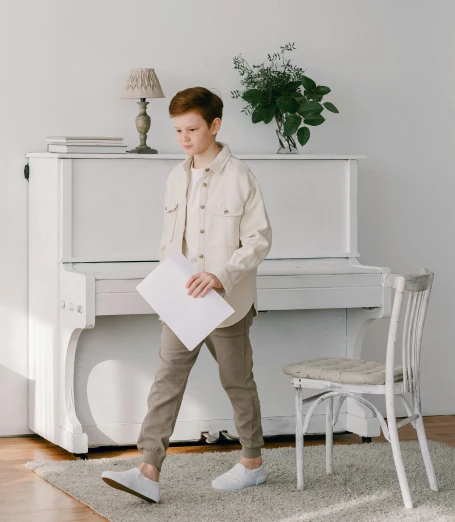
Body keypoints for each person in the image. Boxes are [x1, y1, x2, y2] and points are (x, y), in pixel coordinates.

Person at [101, 87, 273, 503]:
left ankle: (253, 462)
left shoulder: (240, 177)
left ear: (214, 126)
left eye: (192, 128)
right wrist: (166, 284)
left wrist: (221, 274)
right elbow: (169, 241)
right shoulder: (176, 176)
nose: (184, 138)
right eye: (178, 130)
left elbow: (259, 240)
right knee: (167, 380)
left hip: (227, 303)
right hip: (182, 302)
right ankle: (148, 469)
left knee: (237, 381)